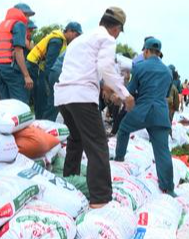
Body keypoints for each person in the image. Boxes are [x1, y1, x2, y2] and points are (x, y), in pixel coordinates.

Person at [54, 7, 134, 209]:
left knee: (77, 138)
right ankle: (100, 199)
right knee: (98, 146)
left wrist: (110, 90)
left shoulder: (79, 40)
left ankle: (68, 182)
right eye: (118, 31)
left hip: (64, 97)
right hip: (81, 97)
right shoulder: (107, 39)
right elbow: (105, 68)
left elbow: (86, 69)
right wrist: (125, 95)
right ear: (116, 28)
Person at [114, 37, 176, 197]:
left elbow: (131, 89)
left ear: (147, 51)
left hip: (142, 110)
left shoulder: (140, 67)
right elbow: (166, 93)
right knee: (162, 151)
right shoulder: (168, 72)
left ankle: (119, 159)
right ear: (159, 52)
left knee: (123, 129)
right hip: (161, 114)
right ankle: (168, 188)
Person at [27, 22, 82, 119]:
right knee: (47, 103)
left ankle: (42, 127)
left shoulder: (62, 41)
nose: (76, 38)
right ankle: (43, 128)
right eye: (76, 35)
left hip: (38, 69)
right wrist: (50, 85)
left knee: (46, 103)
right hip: (36, 69)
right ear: (69, 31)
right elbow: (50, 64)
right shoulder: (57, 41)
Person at [0, 3, 35, 104]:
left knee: (6, 104)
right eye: (27, 15)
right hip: (11, 68)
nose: (28, 19)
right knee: (20, 104)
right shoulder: (18, 24)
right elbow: (18, 51)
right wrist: (26, 76)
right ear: (20, 13)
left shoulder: (0, 26)